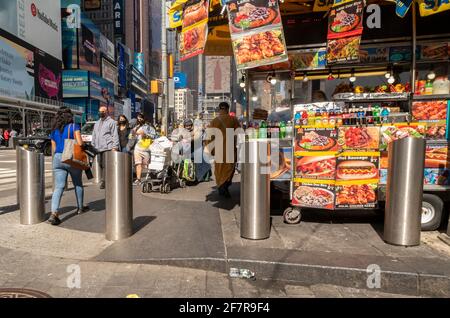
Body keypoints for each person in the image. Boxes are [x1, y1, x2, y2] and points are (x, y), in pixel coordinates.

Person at [48, 107, 89, 226]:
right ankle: (80, 208)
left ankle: (54, 213)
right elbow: (80, 143)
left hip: (57, 158)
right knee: (77, 183)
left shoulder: (54, 129)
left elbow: (54, 147)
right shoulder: (73, 126)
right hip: (70, 156)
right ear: (70, 116)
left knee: (59, 187)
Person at [207, 102, 240, 198]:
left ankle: (221, 185)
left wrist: (211, 150)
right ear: (227, 109)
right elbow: (239, 133)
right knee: (229, 169)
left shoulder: (214, 121)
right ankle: (224, 185)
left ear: (219, 109)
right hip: (230, 149)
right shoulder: (233, 119)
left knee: (219, 169)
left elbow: (209, 137)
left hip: (218, 150)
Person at [91, 106, 120, 189]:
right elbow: (94, 134)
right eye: (99, 111)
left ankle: (105, 181)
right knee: (100, 164)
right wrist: (93, 144)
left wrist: (115, 146)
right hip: (98, 147)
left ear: (106, 112)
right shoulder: (97, 123)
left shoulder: (111, 122)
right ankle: (105, 179)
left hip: (108, 147)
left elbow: (114, 135)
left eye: (102, 111)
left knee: (105, 165)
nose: (100, 113)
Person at [132, 113, 157, 185]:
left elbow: (154, 136)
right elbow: (131, 137)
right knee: (138, 163)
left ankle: (151, 177)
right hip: (137, 148)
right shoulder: (136, 127)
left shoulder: (149, 126)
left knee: (147, 164)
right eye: (138, 118)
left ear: (144, 118)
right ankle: (138, 179)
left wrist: (145, 135)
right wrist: (133, 134)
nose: (139, 120)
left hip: (146, 148)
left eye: (141, 118)